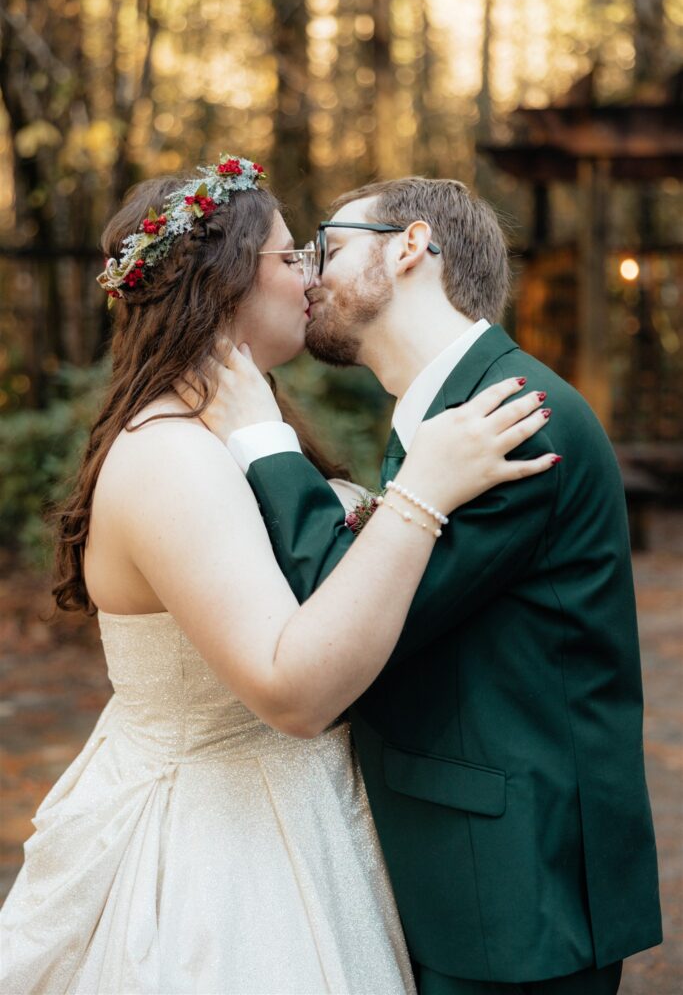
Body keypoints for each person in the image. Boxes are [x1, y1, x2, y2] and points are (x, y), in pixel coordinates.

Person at [0, 157, 558, 995]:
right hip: (221, 859)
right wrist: (420, 496)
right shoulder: (170, 458)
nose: (309, 276)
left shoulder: (234, 428)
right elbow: (292, 695)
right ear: (226, 279)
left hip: (306, 814)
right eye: (290, 255)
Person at [204, 177, 663, 995]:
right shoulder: (450, 411)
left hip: (516, 893)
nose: (309, 274)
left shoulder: (513, 419)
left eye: (329, 246)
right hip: (466, 869)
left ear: (409, 247)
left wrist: (264, 442)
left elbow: (347, 611)